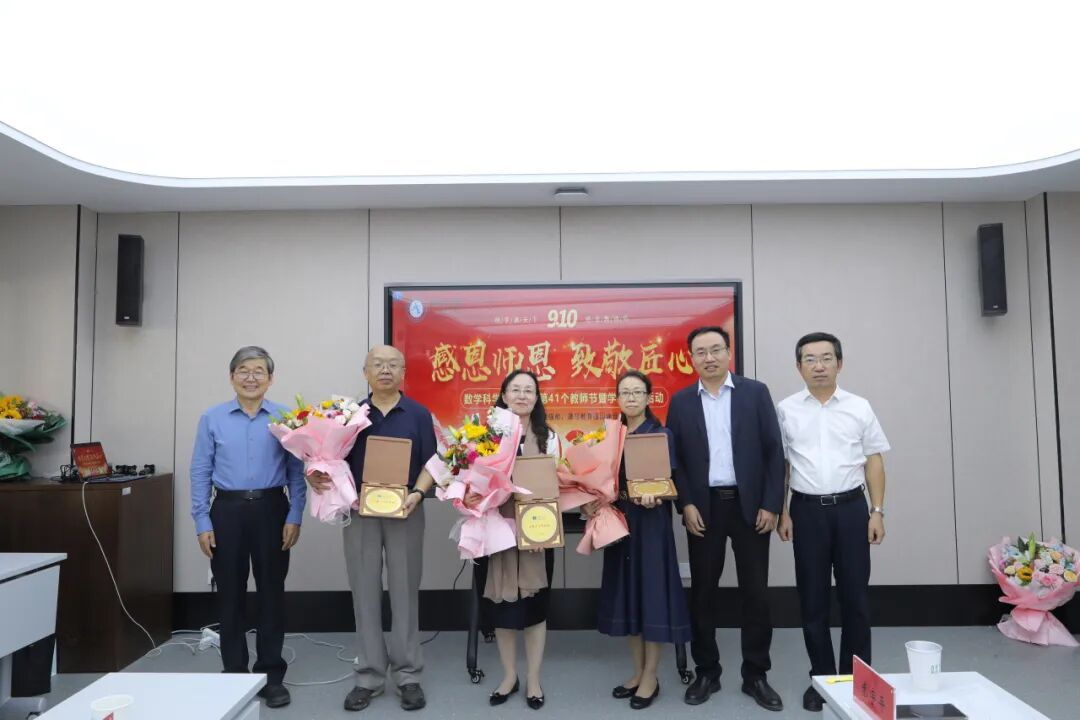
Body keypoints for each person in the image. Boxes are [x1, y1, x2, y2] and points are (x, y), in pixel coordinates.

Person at [307, 345, 436, 712]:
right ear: (365, 372)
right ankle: (369, 675)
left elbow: (433, 463)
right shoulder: (349, 416)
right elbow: (329, 460)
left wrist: (417, 493)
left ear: (403, 373)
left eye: (393, 364)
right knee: (364, 592)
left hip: (406, 510)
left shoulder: (419, 414)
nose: (385, 370)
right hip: (360, 512)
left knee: (405, 592)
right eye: (377, 364)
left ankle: (408, 675)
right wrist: (316, 475)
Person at [665, 326, 785, 712]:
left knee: (756, 593)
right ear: (691, 359)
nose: (709, 357)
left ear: (728, 352)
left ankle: (756, 675)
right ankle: (707, 671)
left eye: (716, 349)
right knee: (703, 592)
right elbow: (676, 461)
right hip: (704, 508)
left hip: (751, 508)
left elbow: (774, 452)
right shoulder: (681, 401)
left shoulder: (755, 393)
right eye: (701, 352)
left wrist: (771, 504)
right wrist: (685, 503)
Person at [776, 332, 890, 712]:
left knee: (856, 599)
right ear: (799, 367)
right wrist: (783, 510)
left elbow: (874, 460)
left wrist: (877, 511)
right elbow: (784, 466)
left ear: (839, 363)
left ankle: (857, 682)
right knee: (813, 601)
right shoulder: (786, 409)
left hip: (852, 510)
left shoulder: (859, 407)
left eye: (826, 358)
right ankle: (823, 679)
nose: (819, 366)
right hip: (806, 512)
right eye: (810, 359)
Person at [190, 345, 306, 709]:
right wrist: (202, 520)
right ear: (231, 377)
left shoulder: (286, 417)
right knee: (230, 595)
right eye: (243, 370)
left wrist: (295, 514)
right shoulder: (212, 418)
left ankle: (271, 675)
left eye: (259, 371)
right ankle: (234, 673)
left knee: (272, 593)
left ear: (270, 379)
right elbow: (200, 471)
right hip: (227, 511)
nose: (251, 377)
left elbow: (297, 471)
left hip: (273, 509)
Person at [595, 370, 691, 710]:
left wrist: (657, 495)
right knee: (629, 596)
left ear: (649, 398)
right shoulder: (612, 435)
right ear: (618, 398)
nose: (631, 398)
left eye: (638, 392)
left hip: (651, 524)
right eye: (625, 392)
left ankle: (651, 675)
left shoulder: (660, 434)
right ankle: (637, 671)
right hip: (620, 521)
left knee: (652, 596)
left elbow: (669, 479)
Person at [476, 369, 560, 711]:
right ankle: (509, 676)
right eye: (516, 390)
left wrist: (541, 529)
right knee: (502, 607)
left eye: (529, 390)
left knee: (535, 610)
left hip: (537, 532)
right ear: (504, 395)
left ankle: (533, 678)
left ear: (536, 398)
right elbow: (474, 478)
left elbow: (556, 484)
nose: (522, 395)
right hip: (496, 531)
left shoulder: (549, 437)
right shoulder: (486, 435)